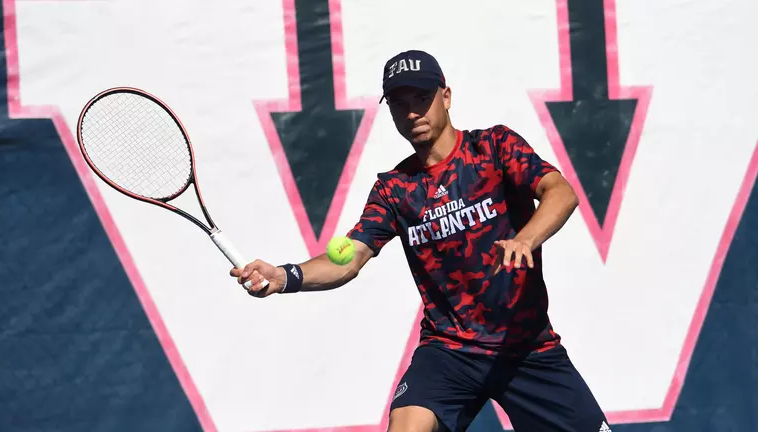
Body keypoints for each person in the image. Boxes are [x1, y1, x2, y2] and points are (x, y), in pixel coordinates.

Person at [231, 50, 610, 432]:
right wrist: (285, 276)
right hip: (450, 350)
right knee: (405, 426)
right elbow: (350, 258)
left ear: (446, 97)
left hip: (527, 345)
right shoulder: (394, 190)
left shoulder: (494, 147)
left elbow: (560, 191)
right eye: (399, 103)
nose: (412, 112)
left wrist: (525, 240)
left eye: (421, 98)